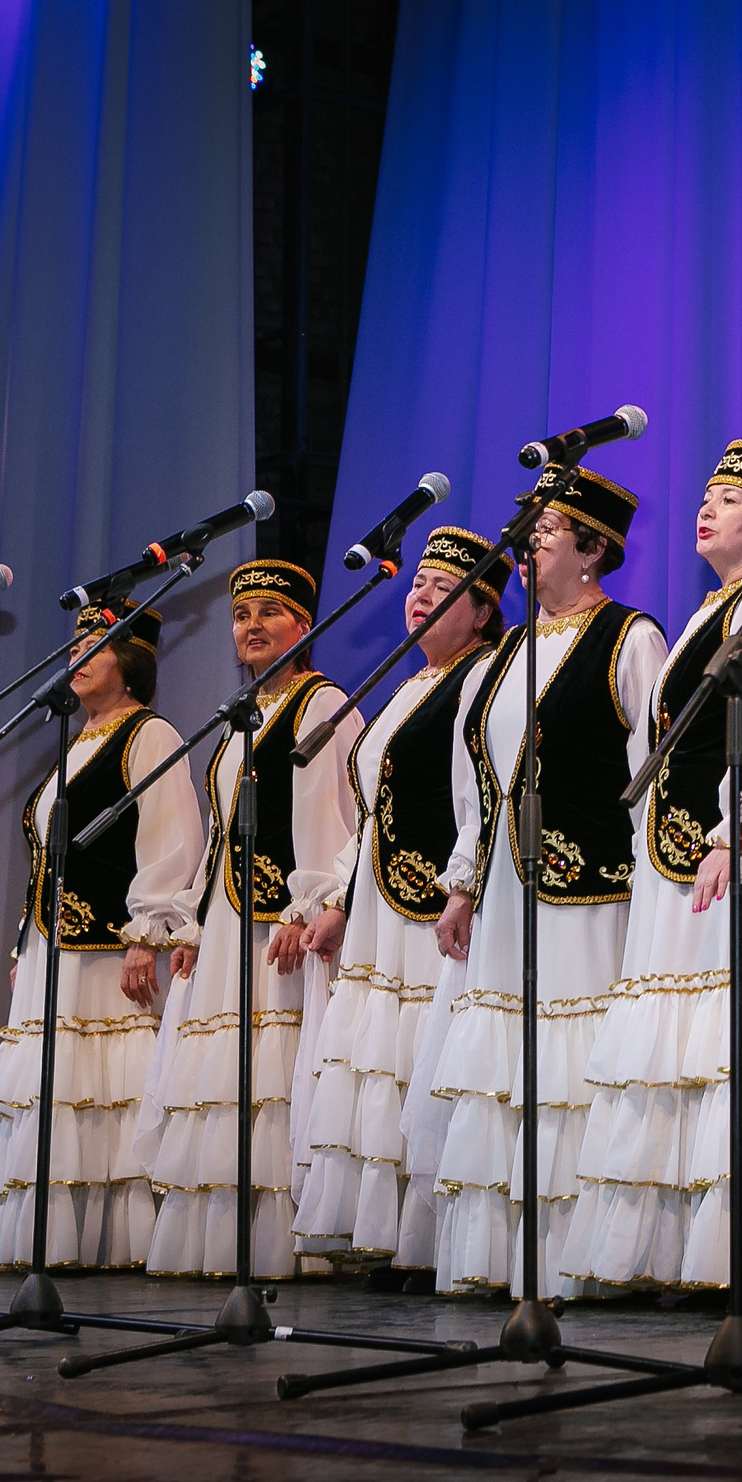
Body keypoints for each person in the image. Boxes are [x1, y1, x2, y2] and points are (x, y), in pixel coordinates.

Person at [561, 442, 742, 1291]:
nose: (707, 506)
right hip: (686, 851)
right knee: (696, 1046)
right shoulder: (717, 608)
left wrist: (737, 826)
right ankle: (688, 1246)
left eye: (729, 497)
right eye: (706, 491)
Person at [421, 466, 667, 1295]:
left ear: (594, 548)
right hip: (503, 895)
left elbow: (650, 774)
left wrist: (651, 885)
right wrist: (462, 881)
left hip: (589, 892)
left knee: (575, 1062)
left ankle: (583, 1252)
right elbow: (477, 781)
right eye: (531, 529)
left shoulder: (631, 637)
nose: (531, 542)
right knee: (510, 1059)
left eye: (550, 530)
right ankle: (507, 1256)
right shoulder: (507, 654)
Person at [0, 603, 202, 1270]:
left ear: (133, 662)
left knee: (105, 1085)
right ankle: (51, 1235)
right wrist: (21, 940)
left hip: (105, 945)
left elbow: (171, 839)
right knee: (55, 1084)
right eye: (76, 644)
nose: (79, 655)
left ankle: (112, 1237)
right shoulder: (78, 742)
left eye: (99, 644)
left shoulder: (150, 734)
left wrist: (146, 932)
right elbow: (49, 856)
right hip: (51, 947)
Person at [288, 528, 505, 1273]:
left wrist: (463, 883)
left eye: (442, 589)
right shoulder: (410, 685)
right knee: (381, 1061)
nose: (419, 596)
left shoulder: (483, 676)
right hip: (382, 906)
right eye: (416, 584)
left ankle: (428, 1236)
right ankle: (381, 1235)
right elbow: (373, 811)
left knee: (425, 1054)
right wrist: (341, 899)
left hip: (435, 904)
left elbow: (478, 793)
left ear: (482, 611)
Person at [141, 562, 363, 1279]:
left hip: (283, 926)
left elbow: (333, 817)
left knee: (278, 1072)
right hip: (232, 922)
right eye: (242, 614)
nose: (253, 624)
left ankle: (286, 1239)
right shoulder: (241, 715)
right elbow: (223, 832)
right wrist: (194, 924)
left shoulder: (320, 701)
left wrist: (313, 904)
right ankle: (227, 1239)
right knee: (227, 1075)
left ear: (304, 624)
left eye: (271, 610)